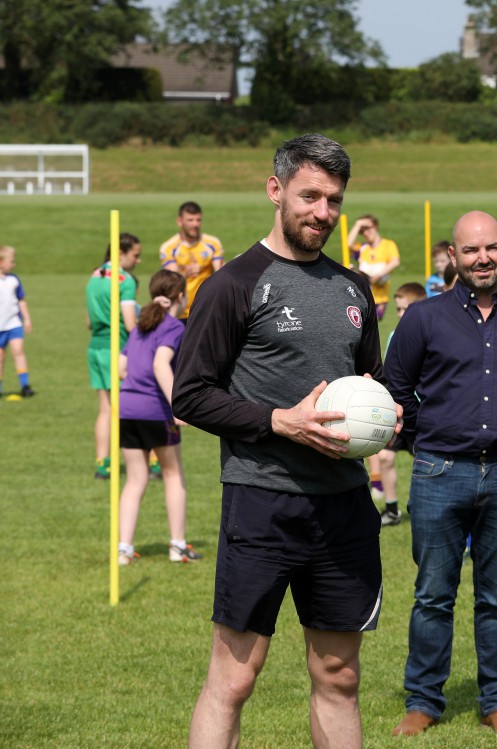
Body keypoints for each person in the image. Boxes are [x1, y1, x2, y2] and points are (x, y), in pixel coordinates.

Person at [173, 133, 397, 749]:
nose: (322, 212)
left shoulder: (355, 289)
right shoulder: (232, 285)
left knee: (339, 674)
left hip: (345, 506)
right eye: (309, 196)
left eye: (333, 200)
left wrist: (386, 415)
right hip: (262, 503)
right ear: (275, 190)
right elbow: (189, 395)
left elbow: (367, 385)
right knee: (235, 678)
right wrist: (279, 421)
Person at [384, 210, 497, 737]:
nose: (482, 259)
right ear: (453, 258)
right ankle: (423, 700)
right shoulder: (423, 318)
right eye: (470, 251)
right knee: (432, 594)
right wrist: (422, 440)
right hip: (440, 473)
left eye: (490, 249)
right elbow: (396, 388)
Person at [116, 269, 196, 565]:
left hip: (127, 409)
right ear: (180, 296)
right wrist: (178, 405)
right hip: (155, 411)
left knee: (135, 480)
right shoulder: (173, 326)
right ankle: (177, 546)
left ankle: (124, 549)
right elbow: (161, 364)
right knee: (174, 475)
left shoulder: (140, 327)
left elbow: (122, 368)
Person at [86, 233, 142, 480]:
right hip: (116, 349)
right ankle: (145, 460)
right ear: (121, 253)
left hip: (95, 347)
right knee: (130, 406)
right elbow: (130, 324)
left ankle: (102, 463)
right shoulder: (125, 280)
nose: (138, 261)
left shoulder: (94, 275)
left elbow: (88, 320)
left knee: (105, 409)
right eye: (135, 255)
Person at [378, 282, 427, 527]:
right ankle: (391, 509)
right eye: (397, 310)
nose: (400, 315)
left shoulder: (431, 335)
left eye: (405, 309)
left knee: (426, 464)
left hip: (423, 416)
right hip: (398, 412)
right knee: (385, 457)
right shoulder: (393, 336)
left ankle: (428, 509)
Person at [159, 201, 223, 322]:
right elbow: (171, 282)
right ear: (180, 221)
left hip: (205, 310)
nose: (195, 224)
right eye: (190, 220)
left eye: (198, 220)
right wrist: (185, 274)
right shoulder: (169, 247)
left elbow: (220, 274)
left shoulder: (212, 243)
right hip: (179, 312)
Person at [348, 214, 401, 320]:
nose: (366, 233)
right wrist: (358, 224)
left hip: (380, 296)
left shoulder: (388, 245)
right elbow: (348, 244)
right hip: (363, 295)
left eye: (367, 228)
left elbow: (395, 262)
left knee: (374, 322)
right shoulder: (362, 248)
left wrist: (378, 275)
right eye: (362, 231)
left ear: (375, 226)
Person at [0, 245, 34, 399]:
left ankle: (25, 385)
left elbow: (21, 300)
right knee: (1, 358)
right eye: (11, 261)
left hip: (14, 324)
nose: (13, 265)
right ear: (1, 262)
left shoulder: (14, 279)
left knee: (19, 351)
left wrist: (26, 319)